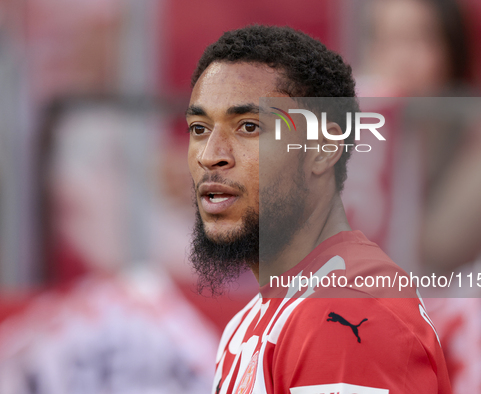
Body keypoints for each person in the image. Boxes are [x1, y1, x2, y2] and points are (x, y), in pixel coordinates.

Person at [185, 25, 451, 394]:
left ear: (324, 148)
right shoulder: (255, 319)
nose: (211, 155)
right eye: (199, 128)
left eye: (248, 126)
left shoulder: (346, 313)